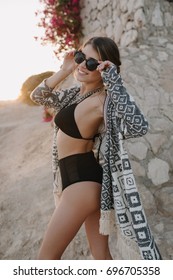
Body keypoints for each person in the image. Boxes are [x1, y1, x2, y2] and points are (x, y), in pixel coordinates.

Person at [30, 36, 162, 260]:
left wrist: (114, 81)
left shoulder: (104, 101)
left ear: (103, 68)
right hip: (75, 179)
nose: (83, 65)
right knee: (100, 256)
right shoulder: (74, 94)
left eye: (92, 63)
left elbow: (139, 126)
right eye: (82, 57)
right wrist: (64, 69)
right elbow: (38, 96)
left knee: (46, 260)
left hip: (83, 184)